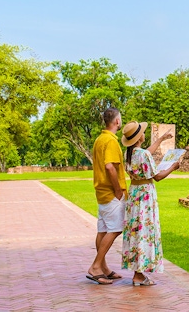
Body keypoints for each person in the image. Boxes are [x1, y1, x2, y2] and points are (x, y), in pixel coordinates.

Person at [120, 120, 180, 286]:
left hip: (134, 195)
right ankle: (138, 274)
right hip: (145, 197)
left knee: (136, 232)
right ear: (140, 137)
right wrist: (173, 167)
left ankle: (137, 271)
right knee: (144, 232)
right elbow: (158, 177)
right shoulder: (143, 155)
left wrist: (161, 139)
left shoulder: (129, 153)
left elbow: (146, 152)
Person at [86, 107, 127, 285]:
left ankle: (103, 268)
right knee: (116, 229)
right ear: (117, 121)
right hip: (111, 193)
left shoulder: (99, 139)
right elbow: (110, 167)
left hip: (101, 192)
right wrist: (118, 190)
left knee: (103, 230)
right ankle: (95, 266)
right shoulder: (110, 141)